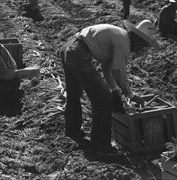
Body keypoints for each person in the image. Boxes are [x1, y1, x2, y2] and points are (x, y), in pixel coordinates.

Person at [59, 21, 157, 153]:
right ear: (138, 40)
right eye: (143, 45)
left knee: (74, 94)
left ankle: (72, 130)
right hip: (77, 53)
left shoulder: (118, 35)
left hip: (68, 48)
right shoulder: (123, 41)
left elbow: (107, 68)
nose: (141, 49)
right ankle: (100, 145)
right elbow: (118, 70)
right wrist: (130, 95)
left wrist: (115, 91)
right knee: (103, 98)